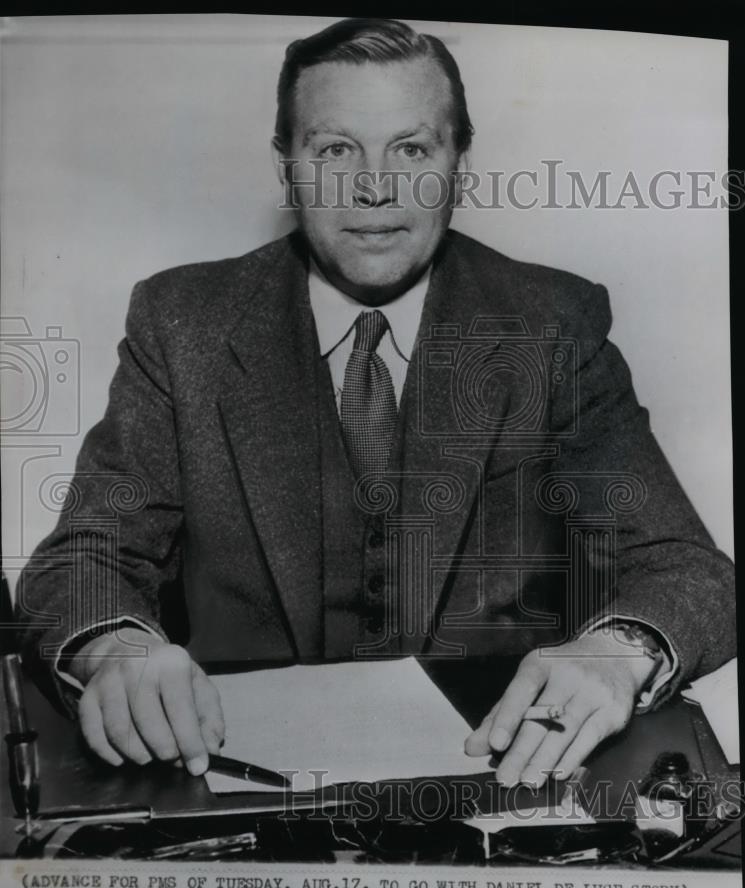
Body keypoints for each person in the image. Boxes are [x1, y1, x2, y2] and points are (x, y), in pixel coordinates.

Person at [15, 17, 736, 791]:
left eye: (412, 148)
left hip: (497, 787)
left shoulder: (551, 325)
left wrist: (615, 652)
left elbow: (686, 570)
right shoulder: (183, 321)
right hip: (238, 790)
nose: (374, 185)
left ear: (459, 160)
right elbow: (81, 561)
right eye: (334, 150)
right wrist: (115, 651)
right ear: (286, 168)